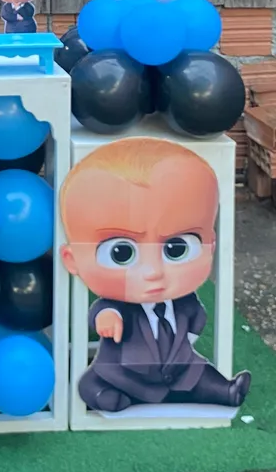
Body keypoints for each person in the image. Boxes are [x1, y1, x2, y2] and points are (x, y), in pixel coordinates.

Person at [60, 138, 251, 414]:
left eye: (177, 248)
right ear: (72, 259)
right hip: (125, 374)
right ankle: (105, 396)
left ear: (211, 244)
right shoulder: (120, 307)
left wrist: (187, 341)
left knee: (202, 374)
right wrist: (107, 318)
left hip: (180, 369)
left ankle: (227, 391)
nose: (153, 272)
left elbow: (196, 318)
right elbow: (102, 311)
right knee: (94, 383)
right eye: (121, 253)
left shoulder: (185, 303)